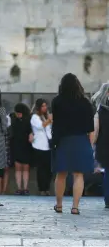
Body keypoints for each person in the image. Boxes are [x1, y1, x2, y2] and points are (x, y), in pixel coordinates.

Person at [52, 73, 94, 215]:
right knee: (78, 175)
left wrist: (55, 142)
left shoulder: (57, 101)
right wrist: (91, 145)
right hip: (81, 140)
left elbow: (56, 125)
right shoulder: (85, 102)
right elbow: (90, 128)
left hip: (64, 140)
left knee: (61, 174)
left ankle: (59, 205)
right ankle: (75, 207)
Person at [92, 82, 109, 208]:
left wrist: (92, 145)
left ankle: (108, 200)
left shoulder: (100, 111)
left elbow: (96, 131)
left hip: (104, 146)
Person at [31, 98, 52, 195]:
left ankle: (47, 187)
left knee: (48, 169)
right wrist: (50, 119)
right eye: (43, 106)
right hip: (39, 146)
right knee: (41, 169)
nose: (45, 108)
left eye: (45, 105)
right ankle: (41, 188)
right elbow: (41, 126)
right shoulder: (35, 117)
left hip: (48, 146)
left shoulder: (45, 116)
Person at [11, 103, 33, 195]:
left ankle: (23, 188)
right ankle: (21, 188)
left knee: (24, 168)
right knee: (20, 168)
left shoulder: (25, 119)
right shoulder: (26, 119)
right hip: (21, 145)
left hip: (22, 145)